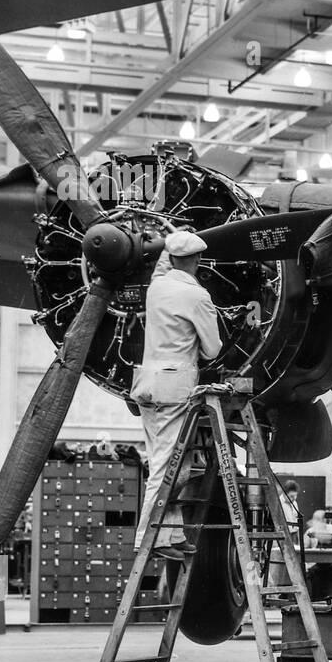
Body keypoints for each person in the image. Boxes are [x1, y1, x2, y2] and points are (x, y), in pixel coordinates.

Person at [131, 230, 222, 561]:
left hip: (146, 385)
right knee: (165, 468)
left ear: (170, 258)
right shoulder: (197, 297)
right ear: (197, 260)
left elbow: (159, 268)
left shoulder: (156, 287)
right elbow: (212, 350)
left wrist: (167, 236)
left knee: (172, 465)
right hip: (173, 389)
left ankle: (170, 534)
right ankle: (147, 536)